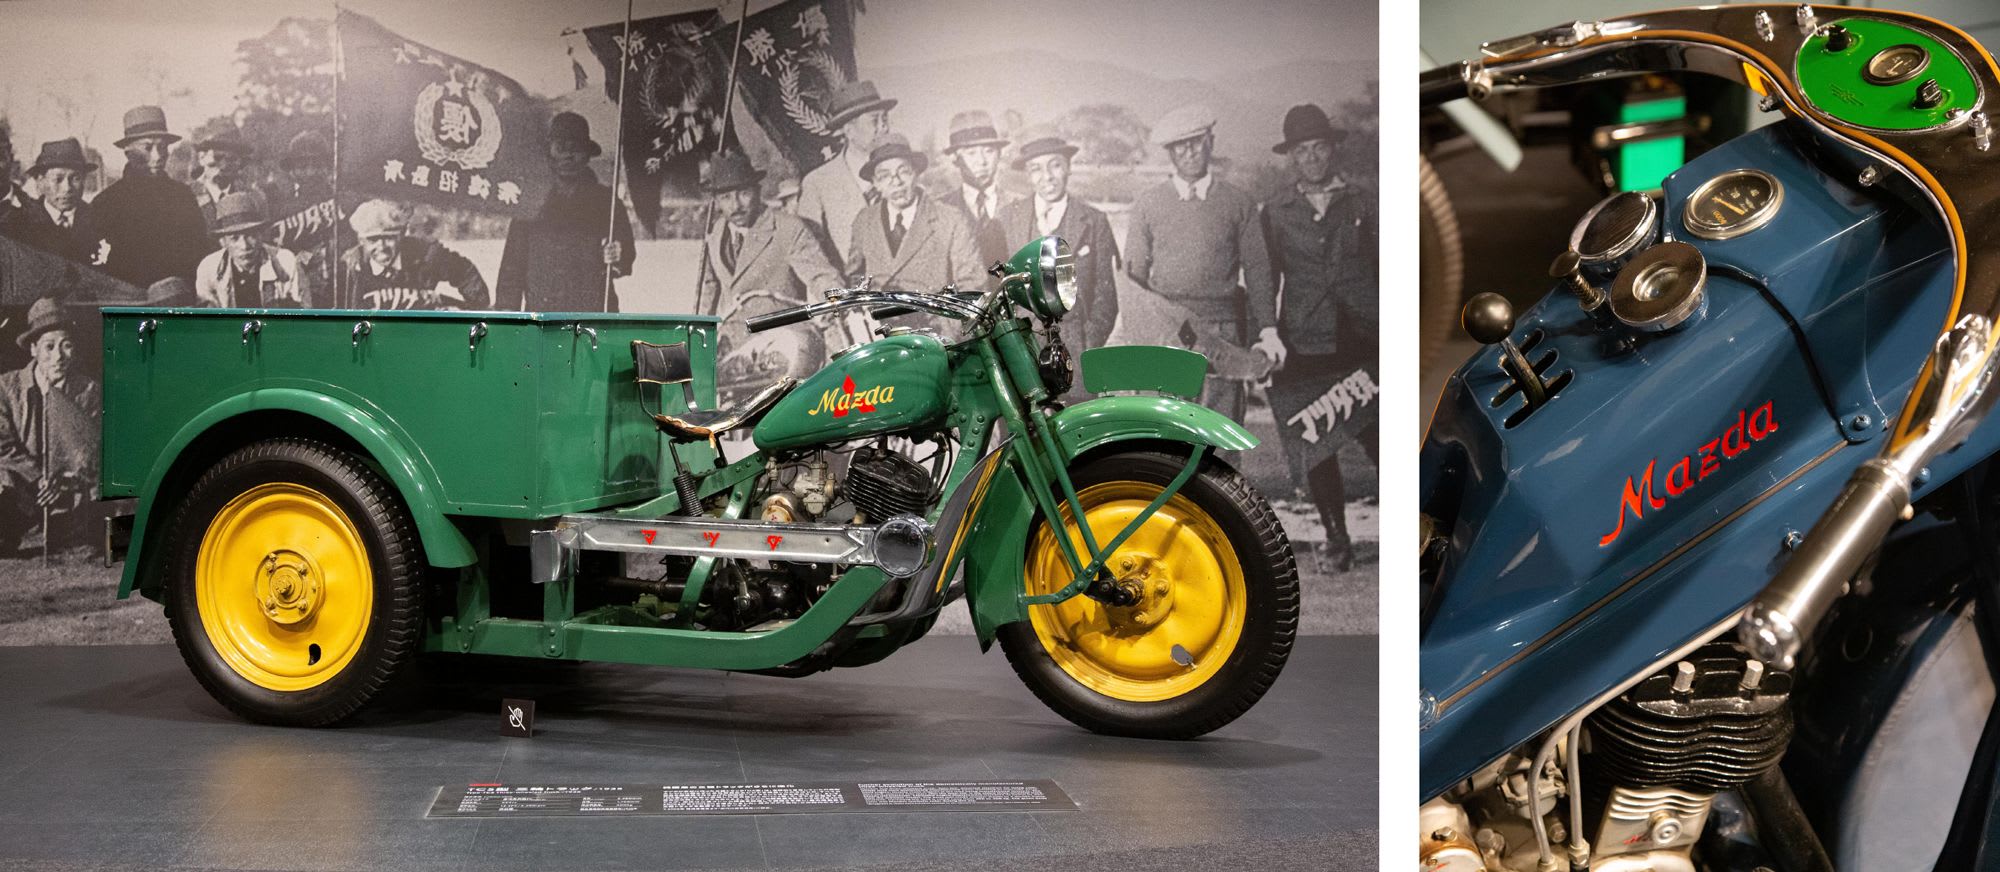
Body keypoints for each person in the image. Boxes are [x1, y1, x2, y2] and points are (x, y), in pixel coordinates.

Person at [1261, 104, 1376, 568]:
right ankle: (1337, 541)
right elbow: (1265, 279)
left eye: (1319, 148)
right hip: (1305, 341)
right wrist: (1267, 335)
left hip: (1366, 338)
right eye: (1301, 150)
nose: (1311, 158)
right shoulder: (1275, 211)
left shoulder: (1364, 202)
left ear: (1333, 149)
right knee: (1317, 443)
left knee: (1378, 436)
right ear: (1291, 157)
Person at [1121, 104, 1277, 422]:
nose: (1189, 152)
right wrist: (1137, 343)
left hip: (1224, 334)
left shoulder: (1239, 203)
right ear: (1170, 152)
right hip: (1167, 331)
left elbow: (1259, 270)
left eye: (1196, 141)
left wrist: (1268, 331)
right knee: (1167, 439)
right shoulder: (1148, 204)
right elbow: (1132, 280)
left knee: (1221, 439)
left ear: (1211, 143)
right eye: (1180, 145)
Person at [695, 152, 844, 388]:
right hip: (732, 342)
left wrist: (834, 299)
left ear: (757, 190)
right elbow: (708, 292)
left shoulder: (787, 228)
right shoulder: (715, 234)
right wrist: (697, 336)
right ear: (716, 200)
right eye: (725, 197)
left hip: (783, 335)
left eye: (743, 194)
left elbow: (821, 275)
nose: (735, 206)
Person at [845, 135, 983, 335]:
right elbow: (854, 274)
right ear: (875, 183)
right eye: (885, 176)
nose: (897, 182)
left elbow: (973, 285)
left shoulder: (950, 219)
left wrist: (947, 330)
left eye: (904, 172)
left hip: (939, 337)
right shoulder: (864, 221)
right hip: (885, 338)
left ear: (916, 174)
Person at [494, 112, 632, 312]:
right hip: (542, 318)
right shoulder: (530, 202)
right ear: (550, 152)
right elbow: (511, 271)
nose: (569, 155)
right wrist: (507, 322)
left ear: (587, 155)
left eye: (576, 149)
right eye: (561, 148)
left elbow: (626, 253)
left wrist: (618, 254)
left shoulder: (606, 202)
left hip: (595, 316)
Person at [998, 135, 1120, 351]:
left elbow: (1106, 295)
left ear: (1068, 168)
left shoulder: (1094, 221)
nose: (1047, 177)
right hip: (1022, 348)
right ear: (1027, 174)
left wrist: (1087, 342)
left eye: (1055, 165)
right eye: (1036, 169)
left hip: (1076, 347)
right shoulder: (1007, 219)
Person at [0, 297, 101, 553]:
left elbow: (93, 447)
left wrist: (64, 480)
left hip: (68, 492)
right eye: (49, 347)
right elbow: (3, 447)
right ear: (33, 348)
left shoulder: (88, 391)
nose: (58, 357)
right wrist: (38, 479)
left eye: (66, 346)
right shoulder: (5, 389)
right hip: (22, 489)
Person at [91, 105, 212, 291]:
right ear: (128, 151)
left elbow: (200, 254)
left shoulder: (183, 196)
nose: (157, 156)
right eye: (147, 148)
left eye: (162, 147)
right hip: (129, 305)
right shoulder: (106, 202)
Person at [797, 81, 896, 264]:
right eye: (875, 120)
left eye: (885, 119)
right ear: (850, 131)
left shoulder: (900, 173)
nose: (884, 127)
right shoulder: (818, 183)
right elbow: (808, 252)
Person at [341, 199, 490, 310]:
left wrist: (475, 310)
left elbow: (464, 271)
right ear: (361, 241)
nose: (381, 246)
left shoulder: (427, 254)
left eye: (389, 238)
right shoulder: (351, 266)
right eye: (373, 240)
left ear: (401, 235)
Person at [0, 139, 107, 267]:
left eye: (75, 178)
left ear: (84, 181)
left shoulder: (101, 221)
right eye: (58, 179)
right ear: (40, 181)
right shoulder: (17, 223)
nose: (67, 188)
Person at [269, 130, 344, 305]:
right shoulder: (282, 208)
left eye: (317, 165)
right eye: (302, 166)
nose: (310, 172)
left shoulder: (342, 199)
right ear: (292, 171)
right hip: (302, 290)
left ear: (327, 167)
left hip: (340, 284)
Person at [194, 192, 306, 308]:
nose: (244, 246)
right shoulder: (209, 269)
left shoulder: (285, 262)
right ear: (223, 242)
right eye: (234, 238)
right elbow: (208, 321)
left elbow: (302, 316)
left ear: (260, 235)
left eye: (250, 235)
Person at [940, 110, 1019, 269]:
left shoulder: (1021, 204)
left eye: (989, 151)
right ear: (956, 159)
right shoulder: (940, 209)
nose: (981, 161)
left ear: (999, 155)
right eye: (971, 153)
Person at [191, 128, 257, 228]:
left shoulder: (251, 198)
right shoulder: (186, 197)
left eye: (232, 159)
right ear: (202, 158)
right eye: (218, 157)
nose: (224, 165)